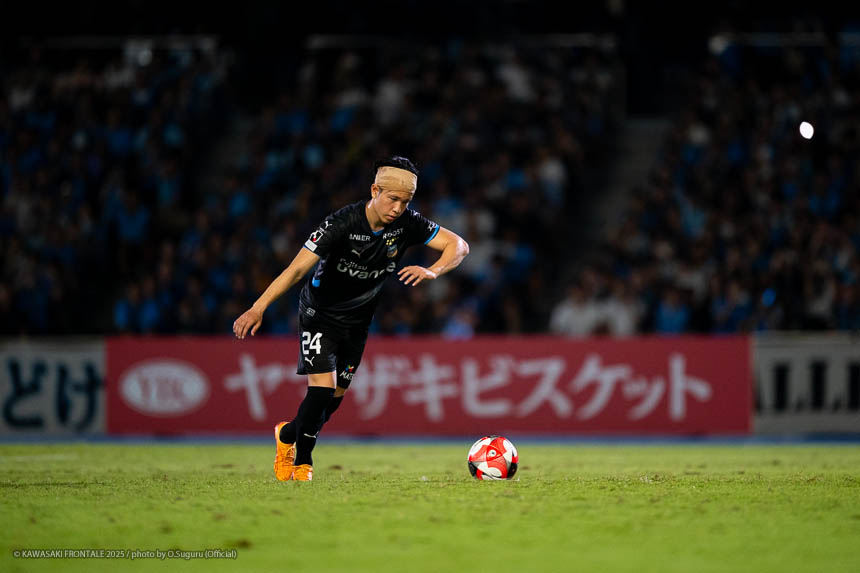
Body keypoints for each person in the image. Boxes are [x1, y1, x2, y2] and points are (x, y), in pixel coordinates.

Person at [233, 156, 469, 481]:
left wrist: (433, 270)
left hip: (357, 322)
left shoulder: (408, 223)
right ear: (375, 190)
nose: (398, 208)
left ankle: (286, 434)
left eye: (405, 201)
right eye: (393, 198)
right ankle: (302, 464)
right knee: (321, 390)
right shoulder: (341, 223)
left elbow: (459, 245)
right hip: (319, 314)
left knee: (332, 402)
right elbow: (297, 269)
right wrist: (258, 307)